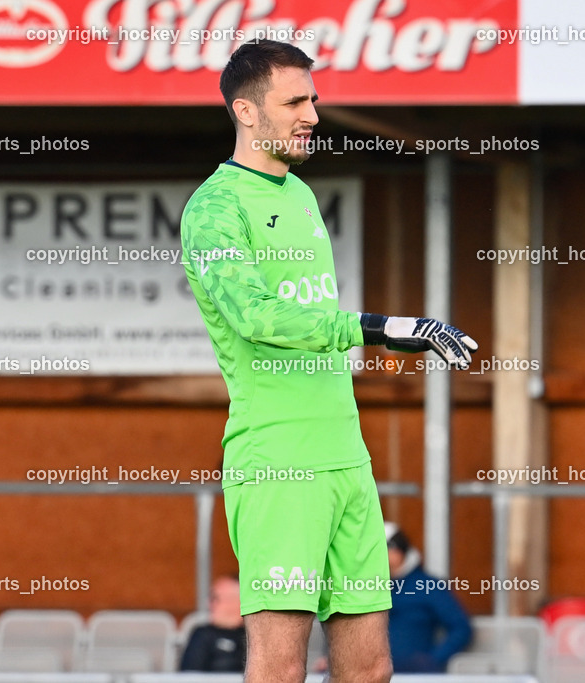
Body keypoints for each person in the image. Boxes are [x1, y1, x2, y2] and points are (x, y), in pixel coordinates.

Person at [180, 39, 478, 683]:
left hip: (347, 458)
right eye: (295, 101)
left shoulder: (303, 197)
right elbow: (256, 317)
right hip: (279, 461)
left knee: (371, 668)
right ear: (247, 111)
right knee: (282, 668)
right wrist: (378, 327)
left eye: (313, 98)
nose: (313, 114)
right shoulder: (214, 209)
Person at [385, 522, 472, 673]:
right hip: (375, 675)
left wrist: (432, 660)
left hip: (415, 677)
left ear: (397, 551)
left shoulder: (427, 586)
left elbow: (460, 627)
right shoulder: (369, 586)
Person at [180, 575, 246, 672]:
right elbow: (189, 675)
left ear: (238, 601)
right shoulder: (203, 634)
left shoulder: (256, 636)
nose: (209, 604)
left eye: (215, 598)